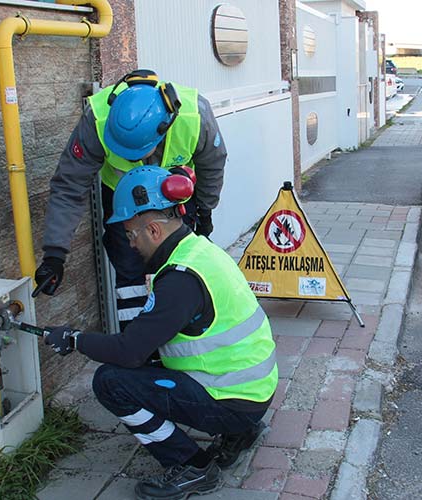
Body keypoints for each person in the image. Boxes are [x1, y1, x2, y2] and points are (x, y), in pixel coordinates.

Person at [43, 165, 276, 500]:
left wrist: (75, 339)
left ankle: (193, 467)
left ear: (153, 230)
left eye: (130, 235)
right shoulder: (199, 250)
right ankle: (240, 432)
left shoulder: (180, 279)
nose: (130, 244)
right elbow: (151, 341)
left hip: (234, 402)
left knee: (110, 381)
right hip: (252, 392)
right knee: (143, 364)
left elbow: (128, 351)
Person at [34, 70, 227, 331]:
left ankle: (180, 336)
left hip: (174, 195)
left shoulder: (196, 115)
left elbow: (212, 165)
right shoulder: (97, 120)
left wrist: (204, 212)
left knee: (179, 267)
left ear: (164, 129)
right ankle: (137, 347)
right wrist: (54, 255)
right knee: (130, 274)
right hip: (123, 205)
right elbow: (69, 185)